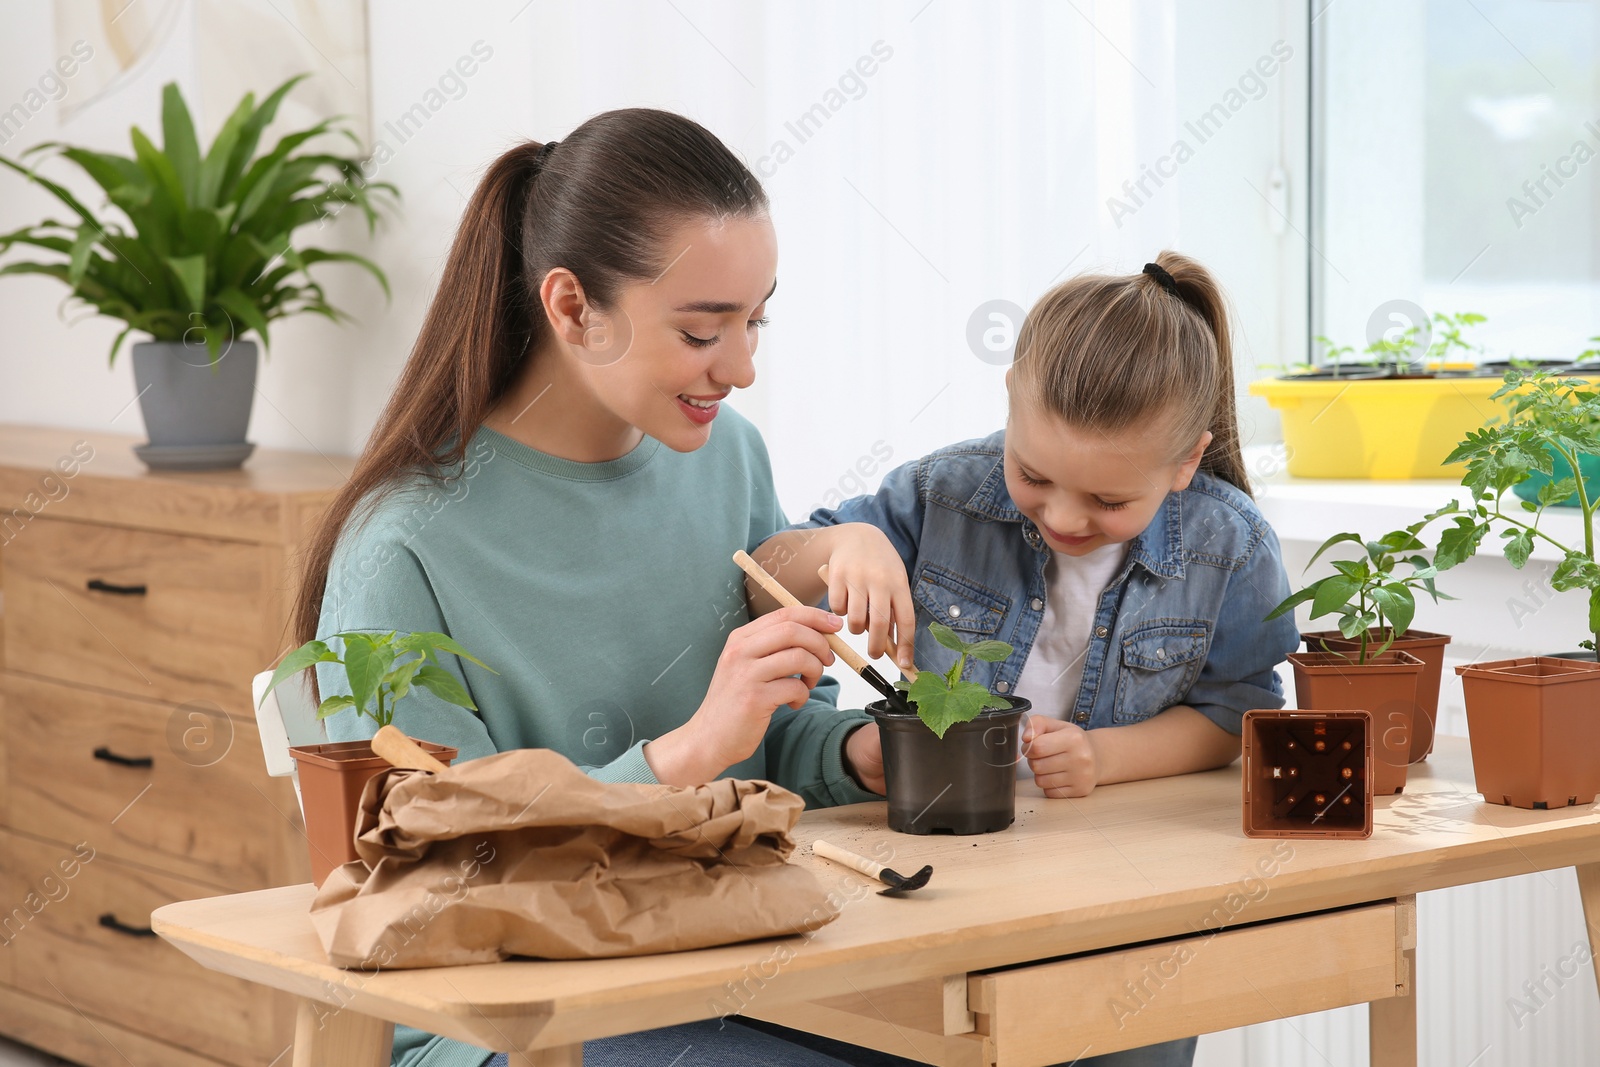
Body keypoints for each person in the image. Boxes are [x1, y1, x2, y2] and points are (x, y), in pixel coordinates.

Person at [292, 108, 890, 1067]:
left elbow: (766, 747)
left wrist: (863, 753)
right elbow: (440, 871)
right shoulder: (403, 540)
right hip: (502, 1014)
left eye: (755, 319)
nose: (740, 367)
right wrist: (683, 753)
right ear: (572, 308)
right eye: (703, 330)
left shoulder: (727, 458)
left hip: (709, 952)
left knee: (1081, 1033)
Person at [752, 253, 1300, 1067]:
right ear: (1011, 398)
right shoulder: (945, 492)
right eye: (1034, 476)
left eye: (1109, 501)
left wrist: (1105, 758)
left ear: (1187, 461)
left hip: (1127, 893)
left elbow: (1240, 716)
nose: (1063, 515)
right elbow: (769, 575)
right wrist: (849, 542)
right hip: (948, 874)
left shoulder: (1231, 544)